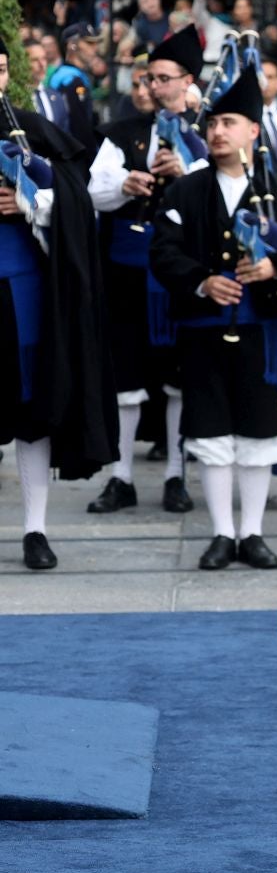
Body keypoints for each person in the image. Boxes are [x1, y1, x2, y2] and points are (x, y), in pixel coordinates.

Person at [148, 69, 277, 570]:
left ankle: (251, 533)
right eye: (212, 124)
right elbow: (162, 251)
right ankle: (221, 534)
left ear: (253, 130)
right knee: (208, 430)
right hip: (202, 331)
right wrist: (202, 282)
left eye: (228, 123)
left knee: (258, 429)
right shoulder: (187, 191)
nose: (217, 132)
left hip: (262, 332)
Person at [0, 35, 117, 569]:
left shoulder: (28, 127)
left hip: (24, 286)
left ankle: (34, 530)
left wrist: (36, 196)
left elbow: (76, 188)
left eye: (1, 68)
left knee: (31, 409)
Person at [86, 26, 207, 517]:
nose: (153, 87)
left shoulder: (209, 131)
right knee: (127, 372)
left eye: (162, 78)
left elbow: (229, 191)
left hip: (181, 272)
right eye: (149, 78)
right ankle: (122, 476)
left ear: (186, 81)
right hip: (129, 270)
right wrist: (125, 184)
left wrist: (188, 173)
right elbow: (94, 189)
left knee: (178, 374)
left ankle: (176, 474)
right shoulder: (123, 132)